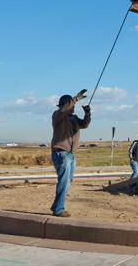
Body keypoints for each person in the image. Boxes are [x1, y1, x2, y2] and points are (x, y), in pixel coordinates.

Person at [50, 89, 91, 217]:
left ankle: (56, 206)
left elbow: (84, 125)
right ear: (64, 105)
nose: (73, 107)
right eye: (70, 104)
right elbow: (64, 110)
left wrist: (88, 114)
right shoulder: (57, 115)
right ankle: (58, 209)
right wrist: (75, 99)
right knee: (64, 181)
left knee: (68, 181)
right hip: (61, 153)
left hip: (70, 154)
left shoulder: (73, 118)